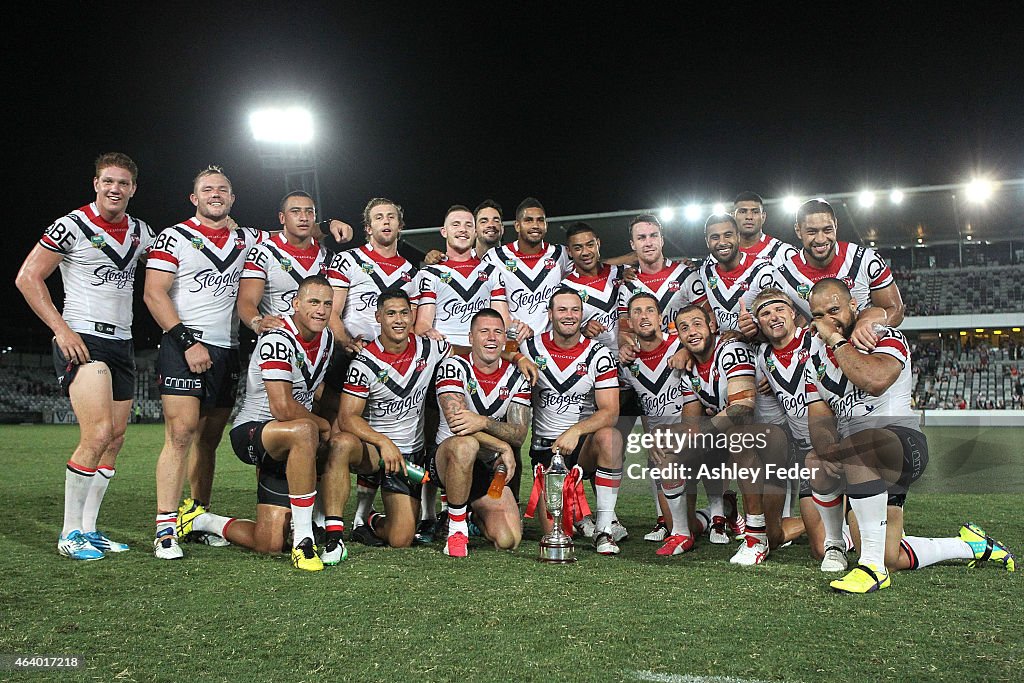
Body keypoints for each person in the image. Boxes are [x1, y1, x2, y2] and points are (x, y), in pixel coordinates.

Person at [806, 278, 1015, 593]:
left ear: (853, 306)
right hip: (859, 460)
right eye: (819, 315)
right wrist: (827, 451)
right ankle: (971, 546)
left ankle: (872, 570)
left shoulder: (885, 336)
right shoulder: (814, 358)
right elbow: (819, 422)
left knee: (857, 448)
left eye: (834, 309)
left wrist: (836, 340)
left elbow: (875, 380)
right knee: (890, 552)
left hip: (902, 445)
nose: (828, 320)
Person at [16, 152, 154, 559]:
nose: (115, 189)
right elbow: (28, 277)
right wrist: (61, 330)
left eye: (123, 183)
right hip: (83, 339)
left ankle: (90, 530)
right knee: (96, 435)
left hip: (123, 343)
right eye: (108, 181)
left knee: (115, 440)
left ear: (133, 188)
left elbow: (174, 263)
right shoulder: (71, 226)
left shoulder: (141, 232)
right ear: (95, 183)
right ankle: (68, 533)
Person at [177, 276, 347, 571]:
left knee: (267, 543)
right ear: (295, 304)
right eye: (314, 302)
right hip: (253, 431)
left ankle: (201, 520)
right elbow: (281, 407)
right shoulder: (278, 338)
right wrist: (323, 424)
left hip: (293, 442)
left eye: (327, 304)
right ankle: (305, 540)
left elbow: (311, 386)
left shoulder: (327, 340)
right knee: (307, 429)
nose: (321, 310)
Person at [146, 165, 268, 559]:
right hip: (184, 346)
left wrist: (328, 226)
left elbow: (291, 237)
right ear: (194, 198)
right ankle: (165, 527)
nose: (215, 194)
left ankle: (195, 516)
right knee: (180, 435)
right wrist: (187, 342)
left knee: (208, 441)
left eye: (223, 189)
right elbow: (154, 294)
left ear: (232, 199)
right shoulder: (174, 237)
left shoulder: (248, 238)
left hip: (228, 349)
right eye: (207, 189)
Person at [674, 305, 801, 563]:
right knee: (775, 536)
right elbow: (690, 424)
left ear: (712, 326)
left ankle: (754, 535)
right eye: (684, 328)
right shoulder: (690, 371)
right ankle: (689, 525)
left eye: (697, 324)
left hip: (781, 438)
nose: (691, 332)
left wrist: (698, 437)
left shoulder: (731, 350)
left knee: (737, 435)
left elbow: (742, 408)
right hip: (749, 445)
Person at [328, 198, 419, 544]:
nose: (385, 222)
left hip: (394, 363)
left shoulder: (410, 271)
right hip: (352, 358)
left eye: (391, 217)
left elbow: (412, 323)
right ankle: (326, 518)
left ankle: (365, 517)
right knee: (342, 436)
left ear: (400, 225)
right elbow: (334, 312)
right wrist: (348, 342)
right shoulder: (347, 259)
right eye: (378, 218)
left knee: (392, 428)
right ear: (367, 227)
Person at [520, 287, 624, 555]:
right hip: (546, 452)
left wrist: (575, 431)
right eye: (562, 309)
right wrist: (516, 356)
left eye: (575, 310)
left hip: (582, 449)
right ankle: (577, 516)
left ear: (582, 314)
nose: (569, 316)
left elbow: (610, 411)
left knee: (611, 437)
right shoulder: (530, 348)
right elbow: (501, 350)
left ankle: (604, 529)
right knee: (557, 532)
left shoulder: (598, 354)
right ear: (550, 313)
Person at [432, 308, 532, 557]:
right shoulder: (453, 366)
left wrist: (483, 422)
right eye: (483, 331)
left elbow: (519, 434)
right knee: (465, 445)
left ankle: (473, 515)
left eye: (498, 332)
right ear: (470, 338)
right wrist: (502, 446)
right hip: (448, 458)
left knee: (509, 540)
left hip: (489, 466)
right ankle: (456, 529)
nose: (491, 337)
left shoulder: (517, 376)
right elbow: (458, 426)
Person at [751, 287, 836, 568]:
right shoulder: (763, 357)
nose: (773, 317)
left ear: (792, 313)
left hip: (835, 451)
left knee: (835, 546)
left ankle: (858, 525)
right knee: (818, 550)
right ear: (758, 323)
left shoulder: (815, 340)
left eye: (778, 309)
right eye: (764, 313)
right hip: (804, 457)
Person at [561, 221, 632, 541]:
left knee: (619, 443)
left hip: (631, 371)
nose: (584, 252)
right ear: (569, 252)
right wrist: (581, 329)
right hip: (591, 374)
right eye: (577, 247)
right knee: (600, 438)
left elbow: (638, 258)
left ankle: (607, 512)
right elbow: (562, 321)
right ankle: (605, 516)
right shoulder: (566, 285)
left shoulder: (619, 274)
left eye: (589, 244)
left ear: (599, 243)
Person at [777, 199, 904, 350]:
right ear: (798, 230)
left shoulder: (865, 259)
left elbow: (896, 310)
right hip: (818, 359)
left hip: (866, 350)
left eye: (827, 230)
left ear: (836, 225)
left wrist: (869, 327)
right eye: (812, 232)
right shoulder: (783, 276)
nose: (820, 239)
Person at [620, 293, 690, 551]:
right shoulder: (627, 362)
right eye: (637, 312)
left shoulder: (680, 345)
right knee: (677, 526)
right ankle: (675, 520)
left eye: (650, 310)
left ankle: (719, 512)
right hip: (663, 446)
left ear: (660, 317)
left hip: (695, 436)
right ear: (629, 322)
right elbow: (643, 406)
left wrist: (686, 350)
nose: (644, 316)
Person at [482, 197, 573, 336]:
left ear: (546, 225)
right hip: (513, 341)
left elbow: (593, 267)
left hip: (549, 344)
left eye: (540, 220)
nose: (535, 225)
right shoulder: (495, 257)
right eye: (528, 220)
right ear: (517, 225)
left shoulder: (560, 254)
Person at [732, 191, 799, 268]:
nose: (749, 217)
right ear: (733, 217)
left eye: (755, 212)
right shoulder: (721, 254)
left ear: (763, 217)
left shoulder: (784, 252)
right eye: (743, 212)